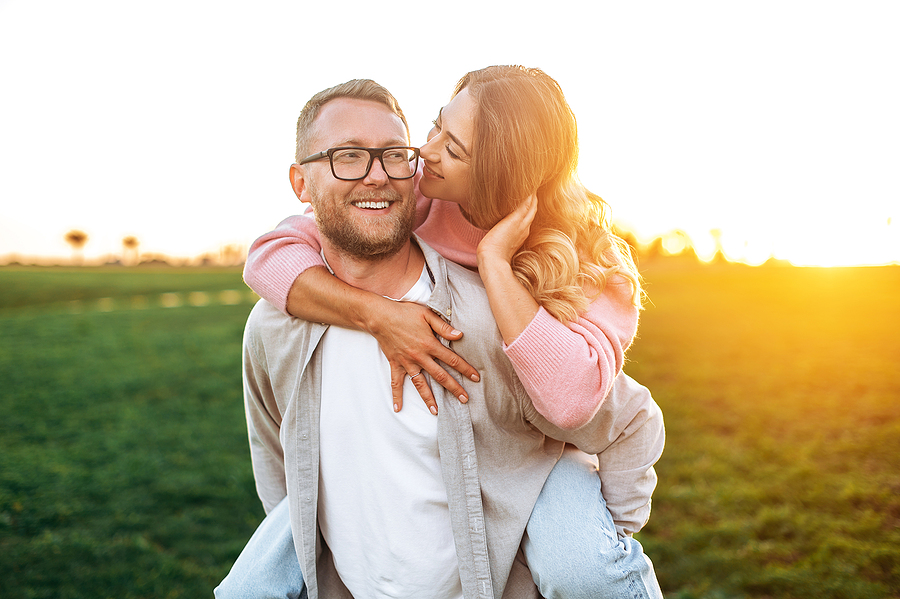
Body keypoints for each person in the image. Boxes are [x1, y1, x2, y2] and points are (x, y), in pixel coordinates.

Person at [220, 77, 664, 598]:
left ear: (495, 179)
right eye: (432, 130)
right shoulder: (427, 202)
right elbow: (270, 256)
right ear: (300, 182)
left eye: (398, 154)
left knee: (581, 566)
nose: (411, 161)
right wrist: (380, 316)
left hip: (549, 449)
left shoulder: (567, 271)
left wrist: (603, 534)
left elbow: (584, 404)